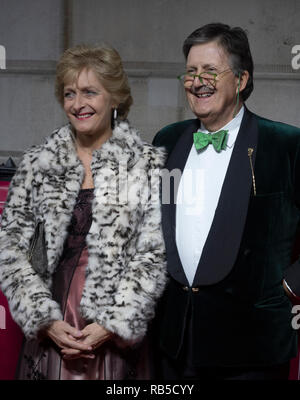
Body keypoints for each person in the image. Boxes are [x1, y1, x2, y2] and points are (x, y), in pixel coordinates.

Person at [0, 44, 167, 380]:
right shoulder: (39, 163)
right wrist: (45, 320)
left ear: (115, 97)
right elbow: (10, 249)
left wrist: (111, 324)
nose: (78, 104)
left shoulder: (145, 165)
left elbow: (153, 255)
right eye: (70, 93)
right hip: (53, 329)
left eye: (90, 92)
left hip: (114, 336)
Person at [152, 22, 300, 380]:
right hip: (175, 344)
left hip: (252, 350)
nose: (198, 81)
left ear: (241, 79)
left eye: (210, 71)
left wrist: (292, 285)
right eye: (190, 72)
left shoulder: (285, 145)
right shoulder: (167, 140)